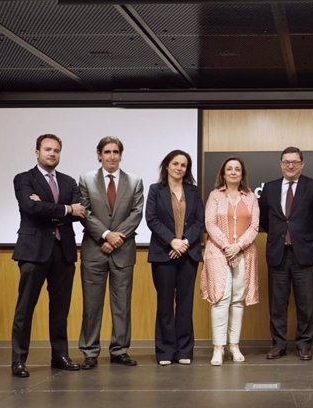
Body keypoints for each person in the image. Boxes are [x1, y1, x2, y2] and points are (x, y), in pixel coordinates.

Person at [11, 133, 86, 377]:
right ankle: (19, 360)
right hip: (33, 252)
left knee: (60, 309)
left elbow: (80, 211)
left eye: (56, 150)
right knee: (25, 308)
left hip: (63, 251)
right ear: (37, 152)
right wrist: (65, 209)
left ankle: (60, 356)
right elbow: (30, 207)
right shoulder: (24, 179)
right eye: (47, 149)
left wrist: (48, 208)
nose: (52, 153)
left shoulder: (68, 181)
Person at [78, 136, 144, 369]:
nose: (112, 156)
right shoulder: (85, 179)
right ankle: (89, 352)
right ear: (99, 154)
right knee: (91, 305)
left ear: (121, 155)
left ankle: (119, 350)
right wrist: (106, 235)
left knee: (122, 305)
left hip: (123, 251)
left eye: (116, 152)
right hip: (94, 250)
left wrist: (116, 239)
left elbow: (136, 214)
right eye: (107, 152)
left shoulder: (135, 181)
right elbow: (84, 212)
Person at [258, 146, 313, 360]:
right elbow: (264, 220)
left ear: (302, 164)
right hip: (277, 254)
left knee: (305, 303)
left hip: (304, 255)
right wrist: (280, 237)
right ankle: (278, 344)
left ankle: (304, 344)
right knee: (277, 303)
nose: (290, 165)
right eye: (286, 162)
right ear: (281, 164)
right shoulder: (269, 189)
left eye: (295, 162)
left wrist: (307, 240)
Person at [146, 150, 204, 366]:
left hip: (188, 254)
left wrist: (185, 242)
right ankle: (165, 351)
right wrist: (172, 241)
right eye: (175, 164)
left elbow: (199, 220)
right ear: (167, 166)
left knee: (185, 304)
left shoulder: (193, 191)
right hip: (164, 254)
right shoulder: (155, 190)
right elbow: (152, 220)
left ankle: (184, 350)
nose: (179, 168)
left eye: (184, 165)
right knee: (165, 304)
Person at [200, 157, 260, 366]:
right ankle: (218, 347)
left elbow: (254, 226)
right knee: (220, 299)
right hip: (218, 253)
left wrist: (238, 246)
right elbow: (210, 223)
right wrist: (227, 246)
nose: (233, 172)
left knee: (237, 300)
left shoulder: (251, 197)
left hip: (244, 253)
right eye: (229, 169)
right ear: (223, 174)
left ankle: (233, 345)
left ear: (242, 174)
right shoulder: (215, 196)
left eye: (237, 169)